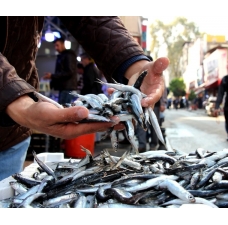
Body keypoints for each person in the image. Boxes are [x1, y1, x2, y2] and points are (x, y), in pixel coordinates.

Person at [0, 16, 169, 181]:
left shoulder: (68, 57)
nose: (57, 48)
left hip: (12, 134)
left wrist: (132, 62)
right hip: (16, 117)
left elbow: (88, 16)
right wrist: (16, 101)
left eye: (57, 45)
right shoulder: (68, 58)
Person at [43, 37, 78, 105]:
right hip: (65, 87)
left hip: (67, 88)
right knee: (63, 108)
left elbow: (69, 72)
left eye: (57, 45)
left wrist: (52, 76)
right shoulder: (63, 56)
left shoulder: (68, 55)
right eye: (55, 46)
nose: (56, 48)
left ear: (63, 44)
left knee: (63, 109)